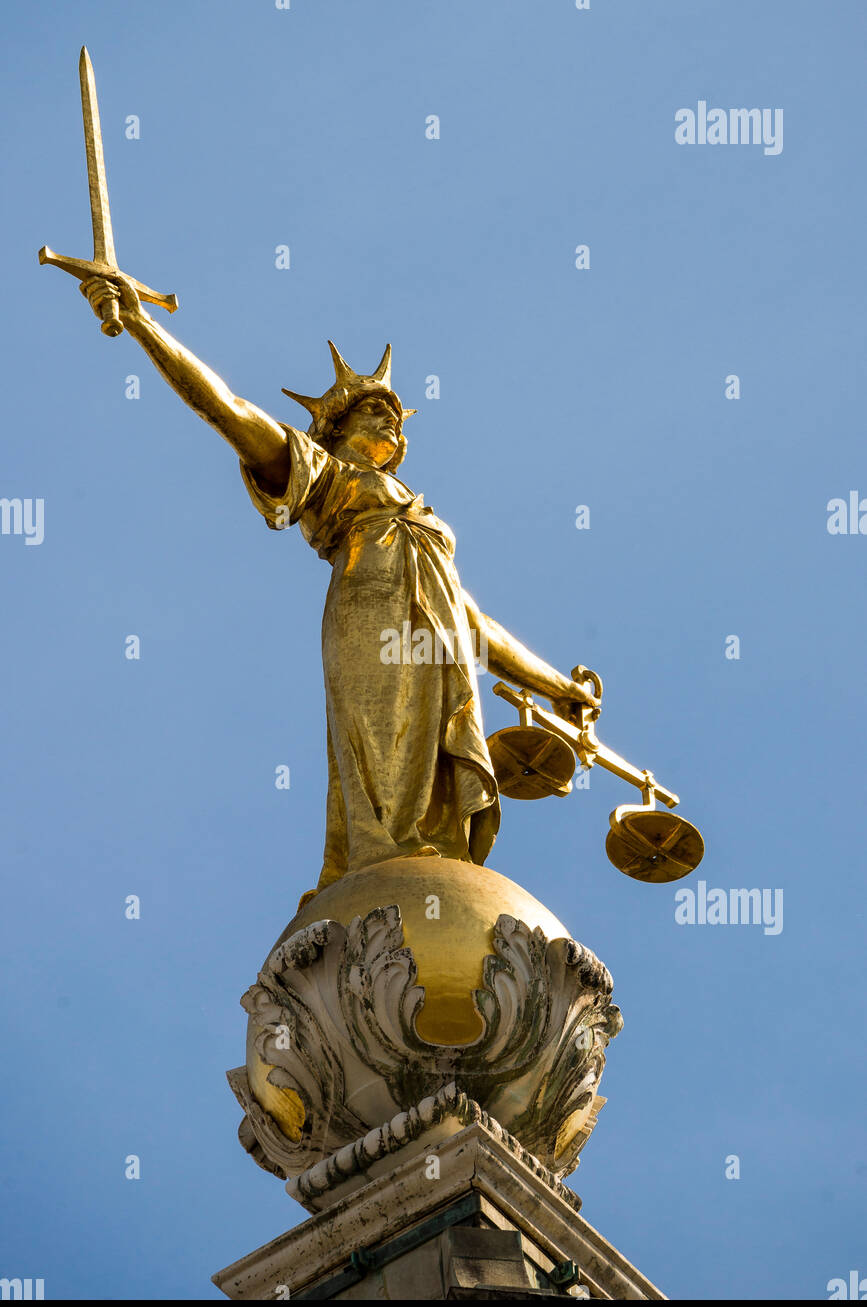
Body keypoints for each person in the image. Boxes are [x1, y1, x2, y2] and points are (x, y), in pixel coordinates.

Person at [80, 274, 597, 897]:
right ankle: (383, 857)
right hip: (370, 611)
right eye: (373, 409)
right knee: (381, 743)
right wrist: (143, 324)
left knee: (431, 756)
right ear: (336, 429)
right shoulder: (326, 475)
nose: (391, 419)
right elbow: (227, 409)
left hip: (440, 637)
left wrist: (556, 687)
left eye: (395, 414)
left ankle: (432, 859)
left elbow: (474, 624)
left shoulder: (421, 519)